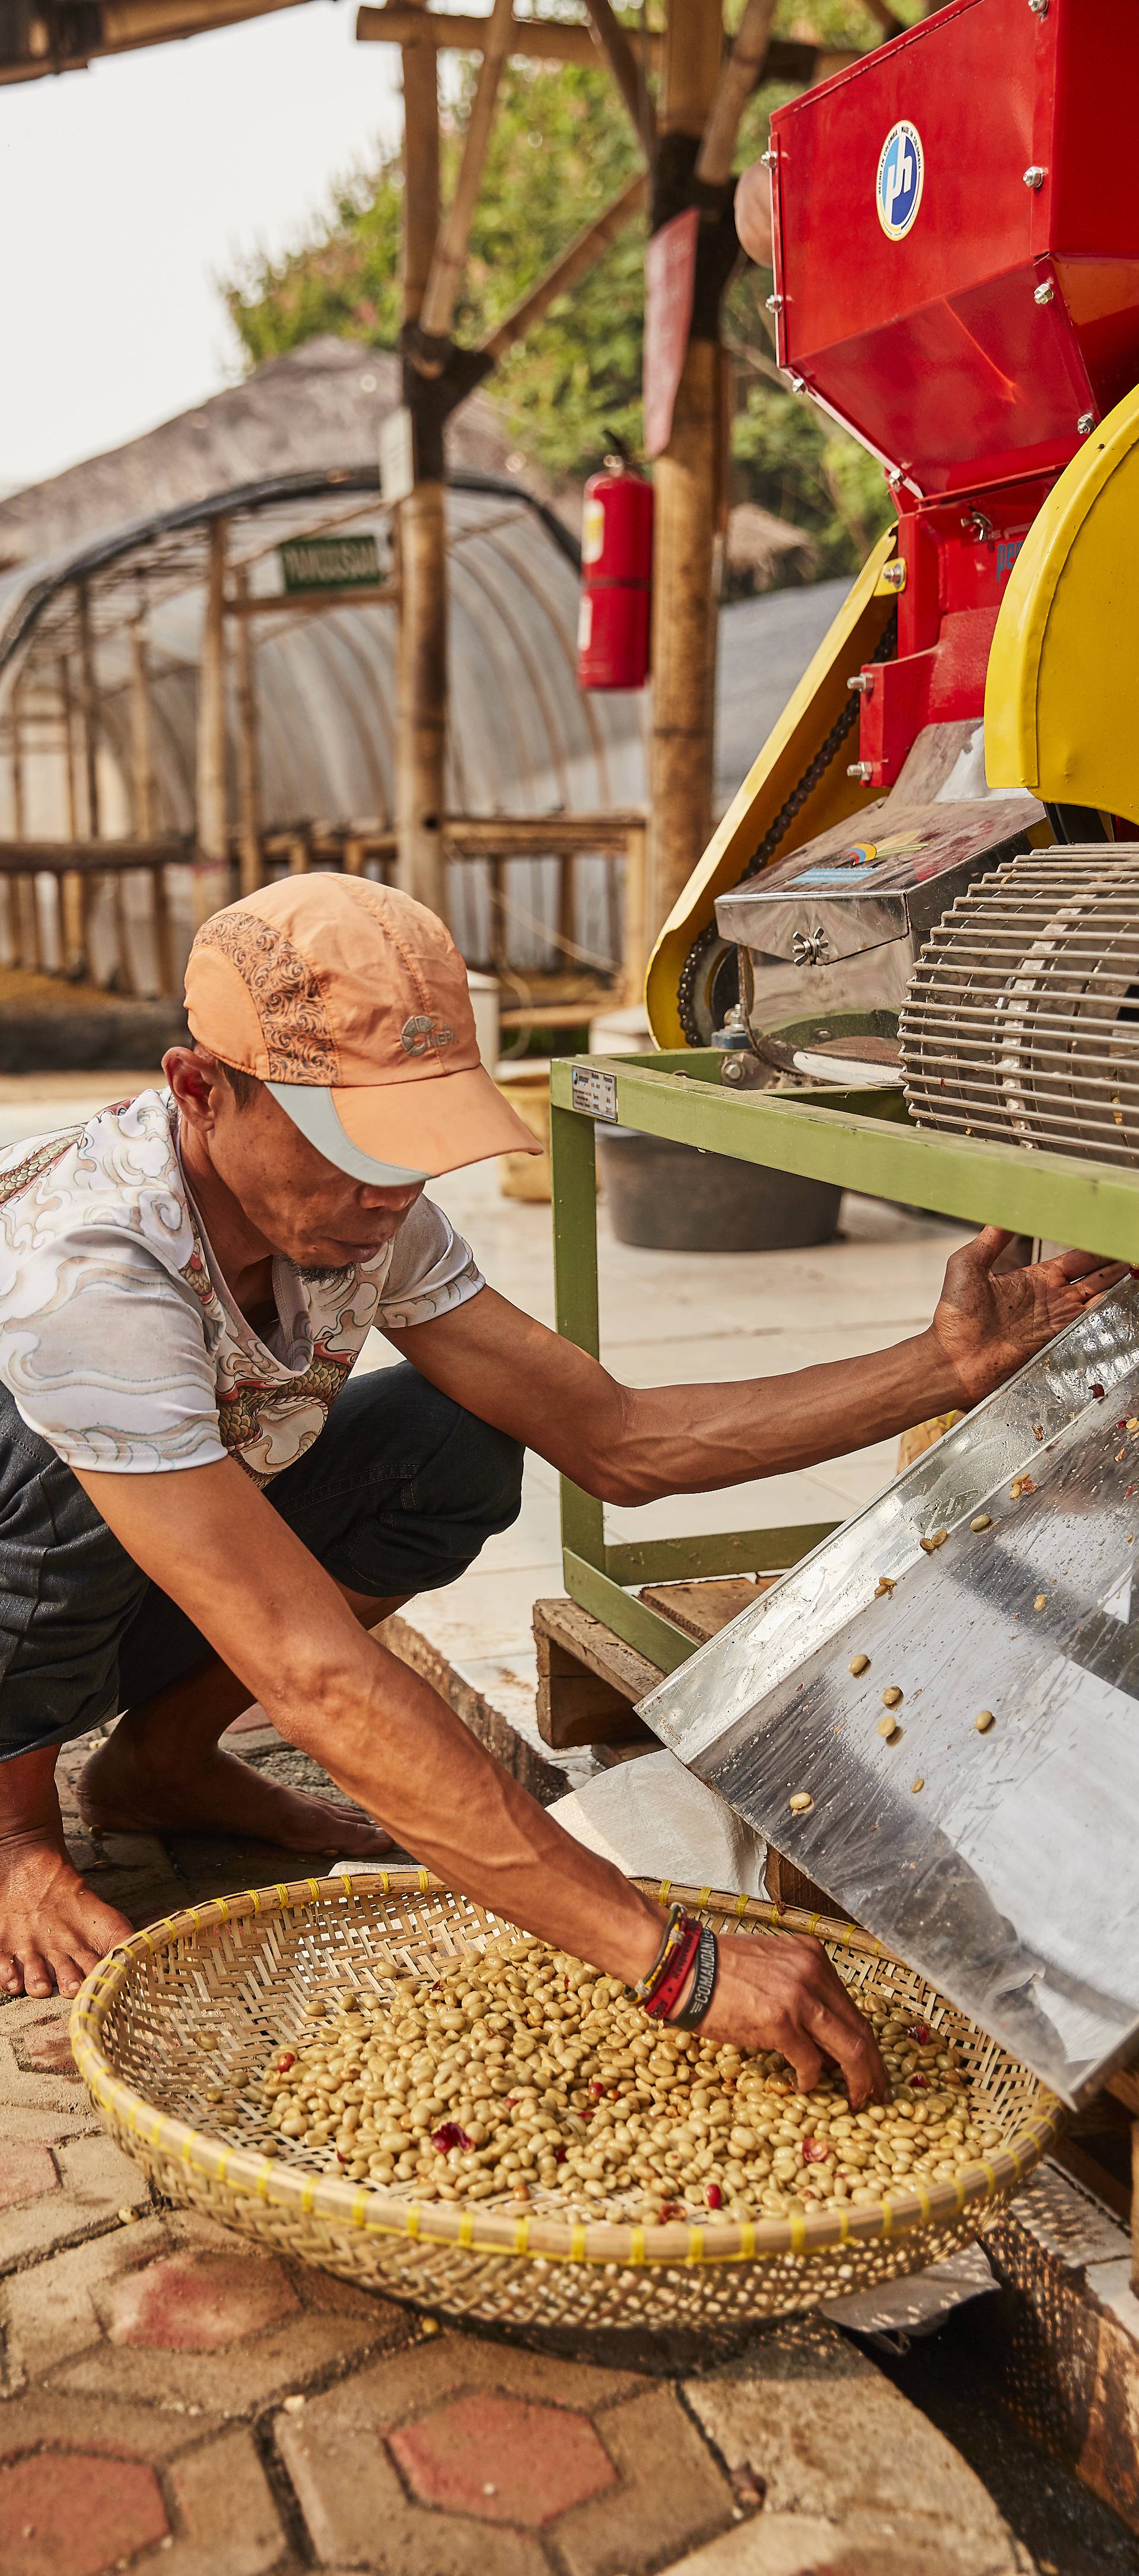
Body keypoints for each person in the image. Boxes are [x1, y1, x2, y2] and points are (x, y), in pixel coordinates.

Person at [0, 876, 1122, 2109]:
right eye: (356, 1151)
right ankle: (16, 1836)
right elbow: (308, 1670)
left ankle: (159, 1767)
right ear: (202, 1090)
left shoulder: (373, 1219)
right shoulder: (87, 1270)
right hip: (33, 1572)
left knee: (451, 1442)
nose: (393, 1194)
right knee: (55, 1484)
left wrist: (942, 1367)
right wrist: (674, 1962)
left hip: (143, 1569)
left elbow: (621, 1440)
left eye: (415, 1154)